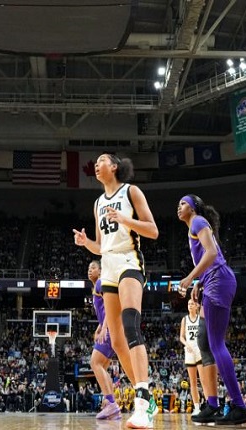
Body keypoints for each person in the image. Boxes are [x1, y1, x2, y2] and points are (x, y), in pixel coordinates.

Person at [73, 153, 159, 429]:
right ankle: (143, 393)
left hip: (129, 261)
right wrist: (86, 243)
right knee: (118, 340)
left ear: (114, 166)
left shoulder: (131, 191)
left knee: (131, 325)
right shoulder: (98, 203)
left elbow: (153, 230)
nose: (96, 165)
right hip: (108, 266)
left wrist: (125, 219)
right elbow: (102, 247)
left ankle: (142, 405)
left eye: (101, 160)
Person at [176, 194, 246, 425]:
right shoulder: (195, 226)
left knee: (216, 344)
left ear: (194, 207)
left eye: (183, 203)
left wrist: (189, 278)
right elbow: (213, 256)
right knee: (206, 342)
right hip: (213, 280)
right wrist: (200, 282)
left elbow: (211, 254)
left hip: (219, 280)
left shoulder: (198, 221)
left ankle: (239, 407)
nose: (178, 207)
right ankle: (212, 405)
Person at [88, 259, 124, 420]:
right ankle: (112, 404)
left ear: (101, 271)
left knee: (94, 363)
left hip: (110, 328)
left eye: (93, 267)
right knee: (102, 366)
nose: (90, 270)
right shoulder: (98, 285)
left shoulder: (101, 283)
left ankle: (110, 403)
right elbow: (104, 311)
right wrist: (99, 327)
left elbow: (113, 306)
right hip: (110, 327)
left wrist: (104, 328)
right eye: (89, 268)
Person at [179, 298, 202, 415]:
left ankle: (210, 405)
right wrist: (186, 344)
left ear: (197, 306)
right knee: (192, 382)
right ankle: (197, 407)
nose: (190, 305)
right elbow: (181, 337)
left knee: (203, 380)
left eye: (192, 304)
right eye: (188, 304)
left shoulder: (201, 319)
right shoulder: (185, 319)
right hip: (189, 351)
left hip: (200, 350)